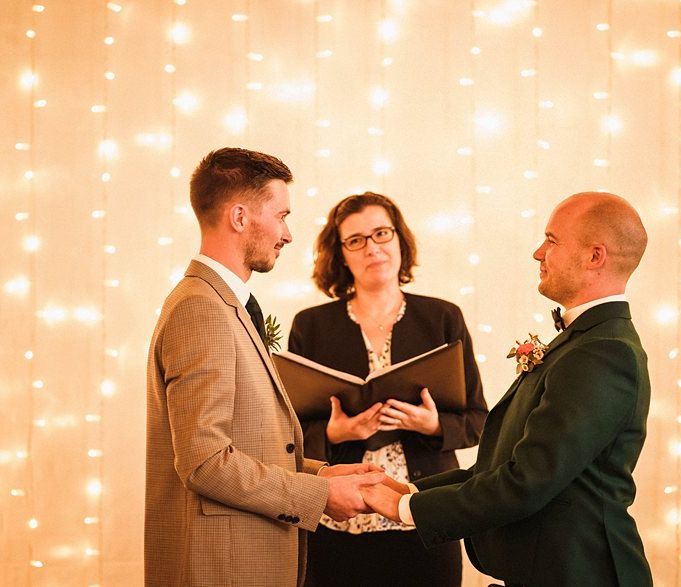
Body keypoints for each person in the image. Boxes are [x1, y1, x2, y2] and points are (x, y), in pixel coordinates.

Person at [362, 191, 653, 587]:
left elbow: (526, 481)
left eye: (551, 240)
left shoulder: (604, 352)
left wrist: (404, 507)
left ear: (594, 256)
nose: (538, 252)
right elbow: (497, 469)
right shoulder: (583, 343)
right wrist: (409, 488)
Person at [145, 148, 384, 587]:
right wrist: (320, 495)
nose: (288, 234)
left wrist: (322, 473)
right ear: (239, 217)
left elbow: (244, 446)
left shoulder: (223, 303)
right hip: (227, 568)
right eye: (281, 215)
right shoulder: (201, 308)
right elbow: (205, 462)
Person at [287, 191, 488, 586]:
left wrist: (432, 425)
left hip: (425, 518)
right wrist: (334, 433)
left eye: (382, 233)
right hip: (336, 521)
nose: (372, 248)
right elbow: (285, 432)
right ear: (341, 254)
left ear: (399, 240)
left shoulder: (444, 317)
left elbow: (479, 420)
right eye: (356, 240)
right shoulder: (310, 326)